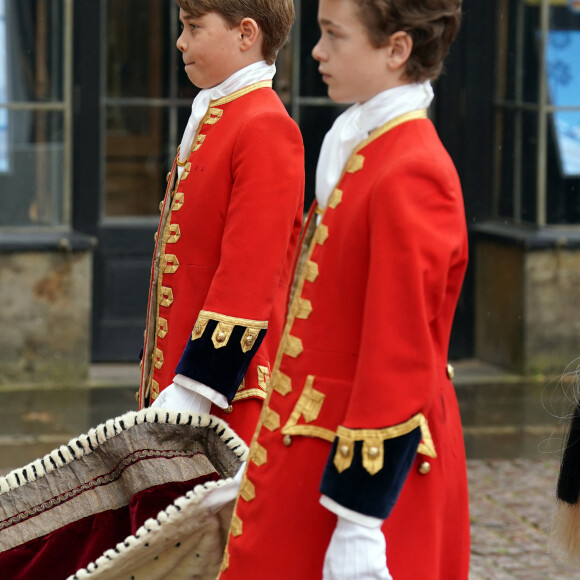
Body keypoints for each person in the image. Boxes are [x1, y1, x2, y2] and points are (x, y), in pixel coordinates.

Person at [218, 0, 469, 578]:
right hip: (311, 448)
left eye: (334, 35)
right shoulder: (362, 147)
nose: (317, 51)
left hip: (370, 480)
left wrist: (359, 520)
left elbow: (399, 359)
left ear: (397, 49)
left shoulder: (411, 169)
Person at [138, 0, 305, 444]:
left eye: (193, 27)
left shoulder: (265, 124)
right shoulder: (220, 115)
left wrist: (196, 388)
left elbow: (249, 274)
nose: (181, 40)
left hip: (225, 395)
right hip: (178, 381)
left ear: (245, 34)